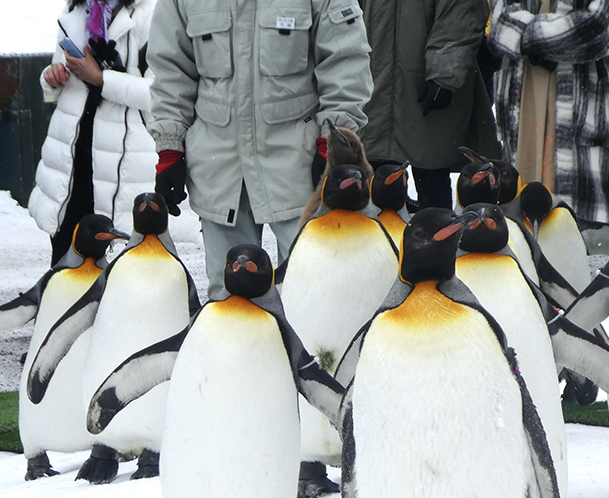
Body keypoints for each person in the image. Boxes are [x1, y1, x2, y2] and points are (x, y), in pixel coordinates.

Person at [146, 0, 373, 300]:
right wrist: (169, 148)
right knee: (231, 303)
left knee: (313, 293)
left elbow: (345, 62)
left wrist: (331, 141)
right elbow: (171, 69)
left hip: (300, 166)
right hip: (219, 168)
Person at [29, 0, 157, 266]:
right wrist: (51, 77)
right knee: (66, 266)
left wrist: (102, 78)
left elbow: (160, 95)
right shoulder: (75, 12)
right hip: (72, 158)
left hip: (123, 161)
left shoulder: (152, 15)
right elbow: (57, 77)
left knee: (123, 274)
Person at [487, 0, 609, 224]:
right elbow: (500, 24)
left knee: (574, 227)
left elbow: (598, 26)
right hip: (525, 89)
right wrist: (552, 37)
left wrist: (528, 36)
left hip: (584, 90)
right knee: (521, 203)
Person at [360, 0, 500, 210]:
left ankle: (437, 229)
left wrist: (445, 71)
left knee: (432, 175)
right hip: (370, 82)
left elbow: (461, 11)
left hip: (425, 83)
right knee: (376, 182)